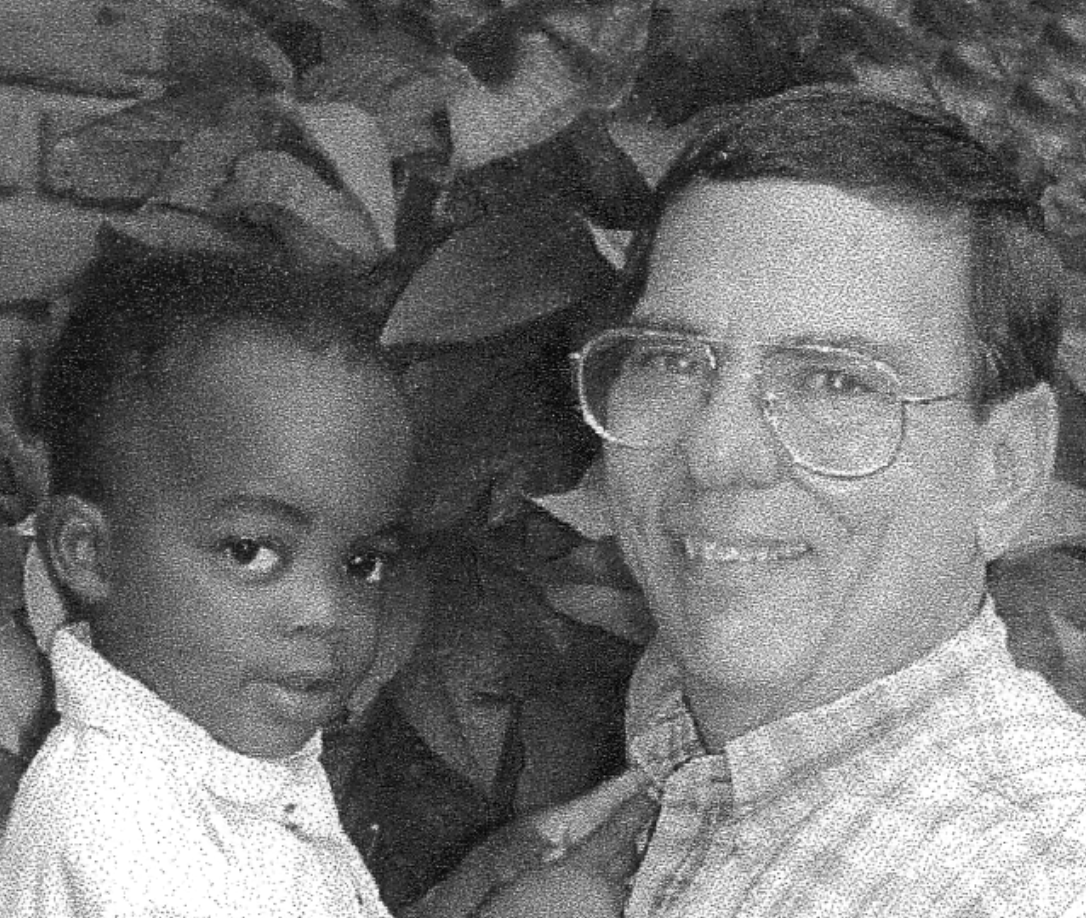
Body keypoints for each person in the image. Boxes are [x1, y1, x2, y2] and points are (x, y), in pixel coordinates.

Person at [561, 83, 1086, 916]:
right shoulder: (684, 773)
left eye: (837, 382)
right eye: (670, 360)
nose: (717, 454)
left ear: (1004, 467)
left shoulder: (1020, 882)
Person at [0, 252, 423, 917]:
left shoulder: (218, 768)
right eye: (249, 551)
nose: (326, 612)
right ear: (90, 554)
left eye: (362, 563)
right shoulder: (127, 840)